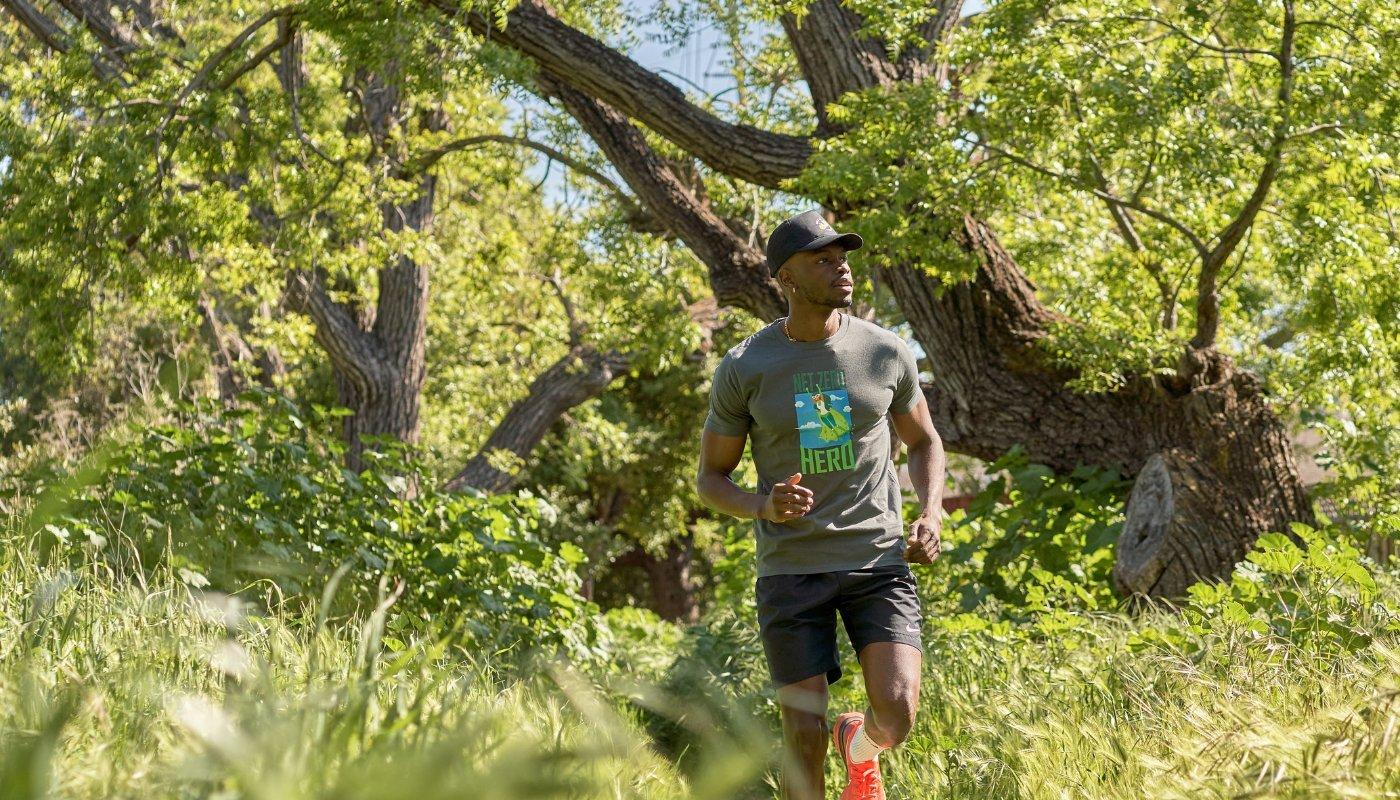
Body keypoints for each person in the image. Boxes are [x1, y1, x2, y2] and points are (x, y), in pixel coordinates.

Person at [695, 209, 947, 800]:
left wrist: (931, 512)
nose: (842, 270)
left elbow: (924, 441)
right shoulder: (745, 366)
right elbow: (710, 477)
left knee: (900, 710)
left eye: (844, 258)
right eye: (823, 260)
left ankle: (860, 745)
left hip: (877, 558)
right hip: (791, 569)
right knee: (802, 734)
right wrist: (764, 505)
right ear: (786, 277)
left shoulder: (885, 352)